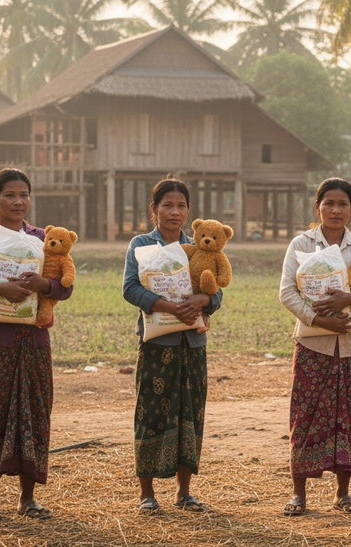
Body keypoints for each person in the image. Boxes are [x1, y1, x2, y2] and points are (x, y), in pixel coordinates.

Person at [0, 167, 74, 523]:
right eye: (9, 195)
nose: (18, 201)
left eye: (23, 194)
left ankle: (28, 499)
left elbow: (65, 287)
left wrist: (44, 285)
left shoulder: (45, 238)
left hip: (34, 341)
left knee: (35, 416)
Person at [279, 177, 351, 517]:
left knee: (350, 418)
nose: (336, 210)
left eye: (343, 204)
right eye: (329, 203)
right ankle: (299, 494)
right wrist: (319, 320)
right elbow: (287, 292)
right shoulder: (301, 244)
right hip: (314, 346)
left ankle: (343, 493)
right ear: (317, 207)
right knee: (305, 415)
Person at [122, 178, 223, 512]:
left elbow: (218, 291)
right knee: (150, 413)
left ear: (188, 211)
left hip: (192, 343)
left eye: (181, 206)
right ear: (154, 209)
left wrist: (203, 298)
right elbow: (130, 289)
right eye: (167, 205)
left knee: (190, 415)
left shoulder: (200, 246)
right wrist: (168, 306)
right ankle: (147, 494)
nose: (174, 211)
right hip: (156, 343)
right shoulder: (140, 244)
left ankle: (184, 492)